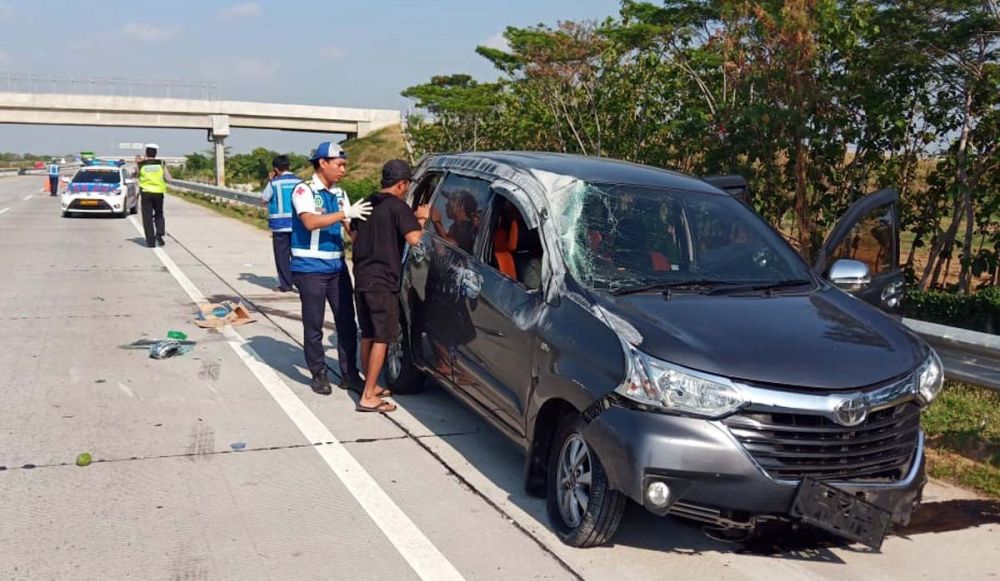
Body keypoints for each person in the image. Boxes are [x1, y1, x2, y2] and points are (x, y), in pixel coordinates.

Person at [290, 141, 372, 395]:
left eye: (345, 165)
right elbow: (310, 222)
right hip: (310, 269)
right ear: (323, 163)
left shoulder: (340, 194)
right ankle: (319, 373)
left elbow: (350, 229)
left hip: (336, 267)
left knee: (347, 323)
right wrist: (343, 213)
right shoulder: (304, 190)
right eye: (339, 164)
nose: (343, 170)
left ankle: (349, 374)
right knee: (314, 324)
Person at [351, 160, 429, 413]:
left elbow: (353, 235)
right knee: (383, 336)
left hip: (362, 276)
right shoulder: (398, 207)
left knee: (367, 333)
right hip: (383, 281)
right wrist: (422, 220)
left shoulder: (367, 202)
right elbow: (415, 240)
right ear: (402, 184)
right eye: (407, 186)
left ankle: (369, 385)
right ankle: (368, 397)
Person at [260, 155, 299, 292]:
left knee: (282, 256)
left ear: (275, 169)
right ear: (289, 166)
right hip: (298, 225)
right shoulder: (300, 182)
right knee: (298, 255)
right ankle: (302, 283)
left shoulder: (274, 183)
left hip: (280, 226)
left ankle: (286, 285)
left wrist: (270, 180)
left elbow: (264, 200)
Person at [137, 143, 172, 248]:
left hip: (146, 193)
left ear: (146, 153)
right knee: (159, 214)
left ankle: (150, 242)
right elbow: (168, 179)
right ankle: (159, 236)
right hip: (158, 193)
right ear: (156, 153)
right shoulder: (161, 163)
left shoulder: (141, 164)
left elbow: (135, 174)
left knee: (147, 217)